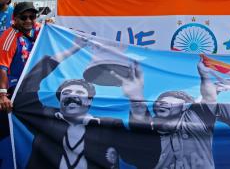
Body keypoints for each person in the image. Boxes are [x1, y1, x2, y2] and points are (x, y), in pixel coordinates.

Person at [8, 38, 161, 168]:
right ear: (59, 100)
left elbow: (145, 158)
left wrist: (136, 99)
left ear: (89, 101)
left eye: (80, 93)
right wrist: (71, 50)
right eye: (66, 93)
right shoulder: (45, 119)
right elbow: (26, 93)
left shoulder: (109, 127)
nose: (72, 96)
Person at [121, 60, 216, 169]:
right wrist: (135, 95)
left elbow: (209, 98)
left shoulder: (197, 121)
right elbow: (139, 113)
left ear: (184, 107)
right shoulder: (150, 133)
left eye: (168, 103)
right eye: (159, 103)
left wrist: (205, 76)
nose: (161, 104)